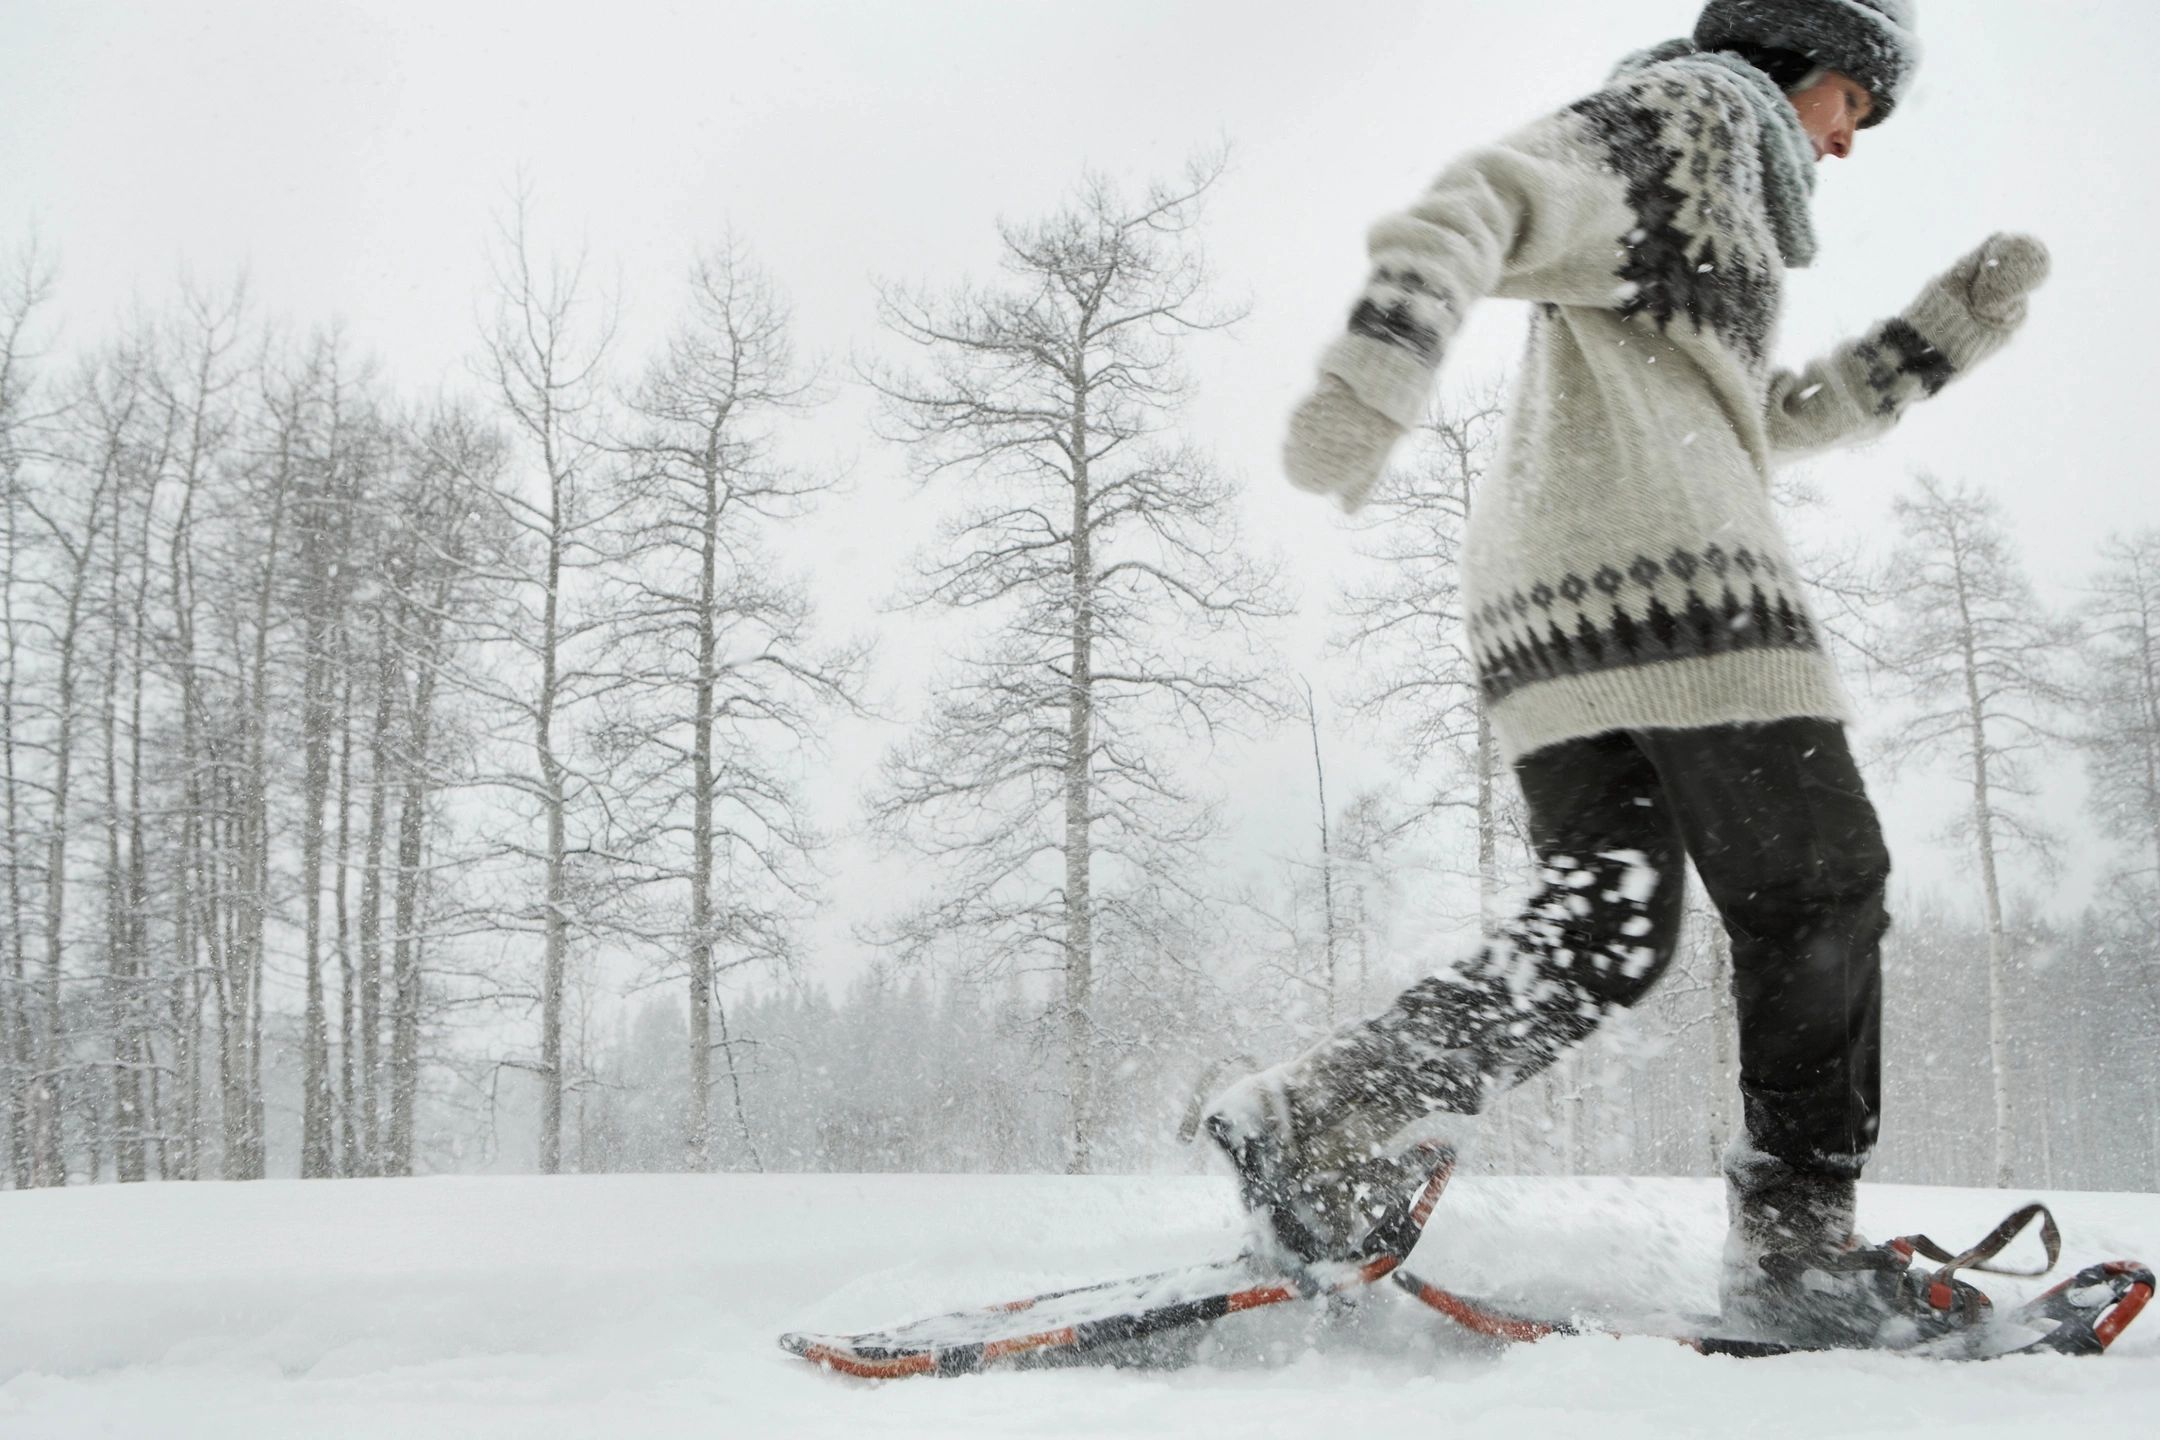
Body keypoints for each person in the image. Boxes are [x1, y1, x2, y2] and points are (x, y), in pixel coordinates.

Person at [1205, 0, 2050, 1348]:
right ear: (1810, 64)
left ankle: (1326, 1113)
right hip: (1682, 587)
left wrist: (1931, 342)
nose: (1847, 146)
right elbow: (1483, 198)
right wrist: (1375, 381)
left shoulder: (1701, 200)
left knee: (1606, 926)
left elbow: (1749, 418)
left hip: (1548, 605)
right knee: (1816, 885)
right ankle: (1797, 1254)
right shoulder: (1702, 117)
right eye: (1855, 110)